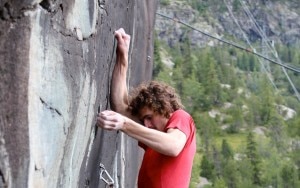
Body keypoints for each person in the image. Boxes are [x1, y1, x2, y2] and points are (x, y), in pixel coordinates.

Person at [97, 28, 196, 188]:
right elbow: (121, 108)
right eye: (144, 120)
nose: (147, 124)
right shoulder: (154, 137)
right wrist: (122, 58)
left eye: (149, 117)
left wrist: (124, 124)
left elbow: (173, 146)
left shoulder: (181, 117)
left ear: (164, 108)